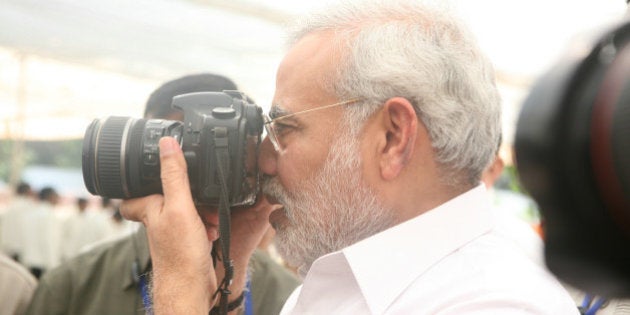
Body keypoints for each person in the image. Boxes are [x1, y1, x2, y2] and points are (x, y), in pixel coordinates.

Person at [121, 1, 579, 314]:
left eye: (284, 128)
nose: (263, 160)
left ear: (392, 138)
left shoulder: (491, 303)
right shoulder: (352, 277)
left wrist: (179, 291)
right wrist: (226, 276)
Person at [26, 73, 300, 315]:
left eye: (213, 146)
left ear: (247, 155)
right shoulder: (73, 285)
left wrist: (234, 265)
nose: (187, 162)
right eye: (170, 140)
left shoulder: (292, 297)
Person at [21, 187, 63, 279]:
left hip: (30, 260)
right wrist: (53, 265)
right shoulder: (48, 215)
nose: (58, 199)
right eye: (56, 196)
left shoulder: (32, 212)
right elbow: (48, 241)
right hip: (43, 263)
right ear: (50, 197)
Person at [0, 182, 35, 262]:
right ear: (28, 192)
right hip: (23, 248)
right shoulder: (31, 208)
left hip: (8, 247)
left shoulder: (11, 207)